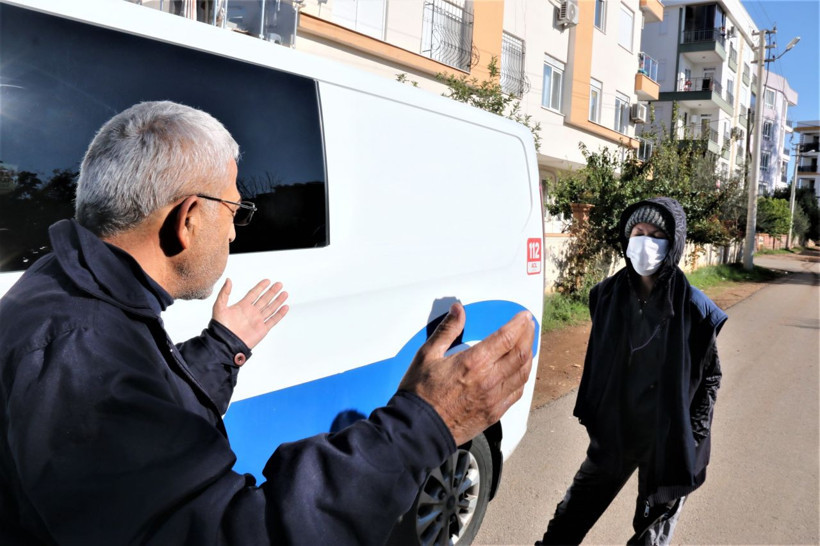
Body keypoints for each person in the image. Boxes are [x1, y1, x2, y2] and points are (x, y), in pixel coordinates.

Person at [0, 101, 535, 545]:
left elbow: (143, 417)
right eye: (236, 213)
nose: (235, 234)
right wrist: (425, 422)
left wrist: (220, 348)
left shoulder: (70, 288)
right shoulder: (77, 352)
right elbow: (245, 534)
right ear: (188, 220)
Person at [537, 197, 727, 546]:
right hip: (617, 432)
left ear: (674, 244)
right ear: (627, 238)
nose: (645, 242)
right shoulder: (606, 296)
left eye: (657, 234)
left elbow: (710, 378)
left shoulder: (696, 311)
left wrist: (694, 438)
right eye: (638, 232)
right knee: (568, 519)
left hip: (668, 440)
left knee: (650, 537)